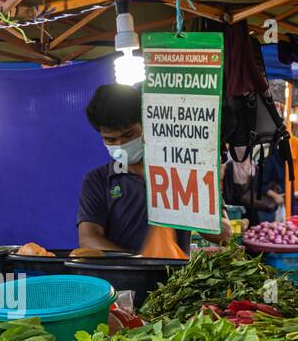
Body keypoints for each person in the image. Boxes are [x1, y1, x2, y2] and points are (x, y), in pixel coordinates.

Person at [77, 85, 229, 256]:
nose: (120, 144)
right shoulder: (98, 180)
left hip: (174, 280)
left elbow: (225, 234)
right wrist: (141, 262)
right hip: (118, 278)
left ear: (147, 126)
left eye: (129, 135)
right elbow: (88, 239)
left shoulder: (185, 172)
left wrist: (184, 204)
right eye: (110, 139)